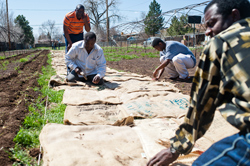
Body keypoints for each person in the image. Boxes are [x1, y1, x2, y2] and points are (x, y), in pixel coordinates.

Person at [147, 0, 250, 165]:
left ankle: (183, 76)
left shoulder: (220, 42)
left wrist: (175, 148)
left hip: (189, 61)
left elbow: (201, 106)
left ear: (234, 16)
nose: (208, 32)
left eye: (211, 24)